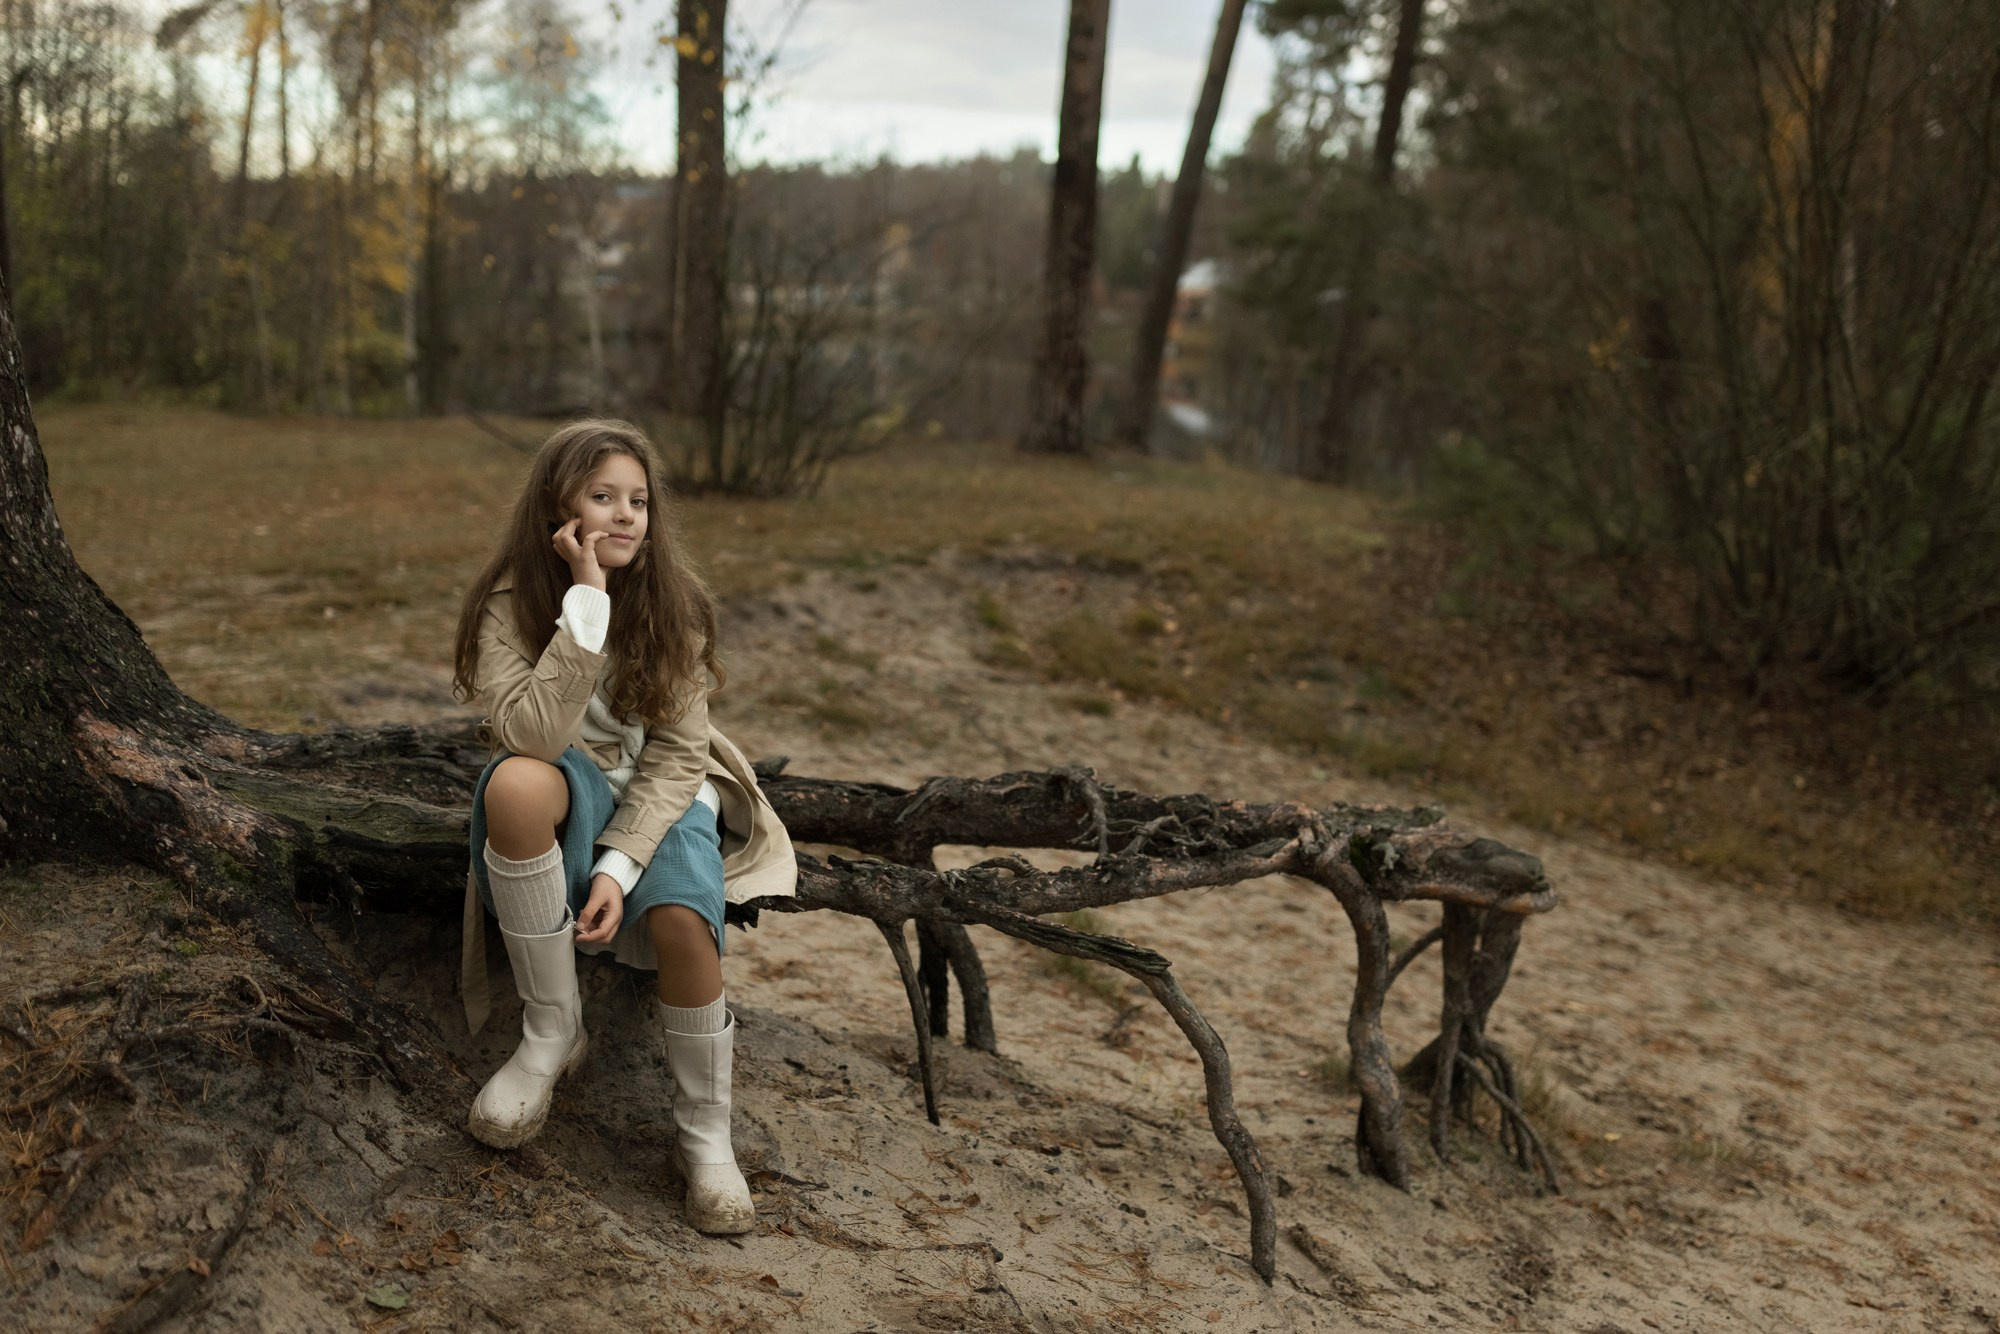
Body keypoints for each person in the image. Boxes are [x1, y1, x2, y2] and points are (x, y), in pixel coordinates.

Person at [448, 418, 796, 1235]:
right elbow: (531, 736)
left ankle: (706, 1138)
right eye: (602, 497)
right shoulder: (510, 604)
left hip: (663, 796)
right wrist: (587, 607)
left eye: (638, 500)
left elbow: (678, 759)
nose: (625, 515)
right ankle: (549, 1032)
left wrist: (619, 867)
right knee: (517, 786)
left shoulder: (674, 606)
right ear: (556, 510)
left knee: (682, 922)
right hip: (568, 780)